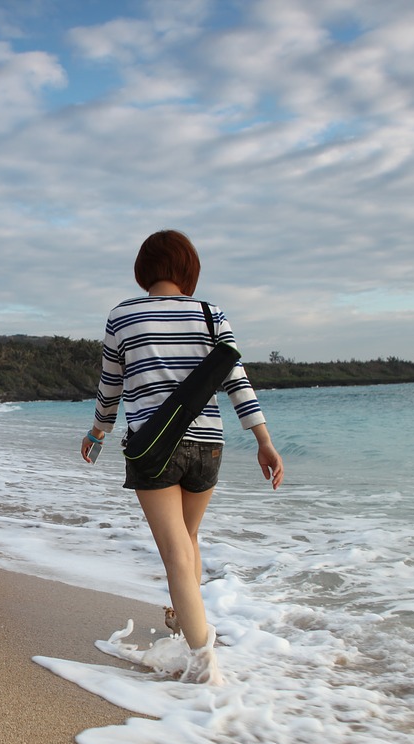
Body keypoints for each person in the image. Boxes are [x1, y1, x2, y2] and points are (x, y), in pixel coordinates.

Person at [81, 230, 284, 658]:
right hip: (208, 445)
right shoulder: (212, 314)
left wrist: (98, 431)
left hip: (152, 448)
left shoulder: (122, 316)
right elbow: (237, 381)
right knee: (189, 538)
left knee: (175, 552)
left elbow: (111, 389)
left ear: (144, 269)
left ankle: (204, 660)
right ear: (188, 268)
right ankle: (183, 618)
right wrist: (263, 441)